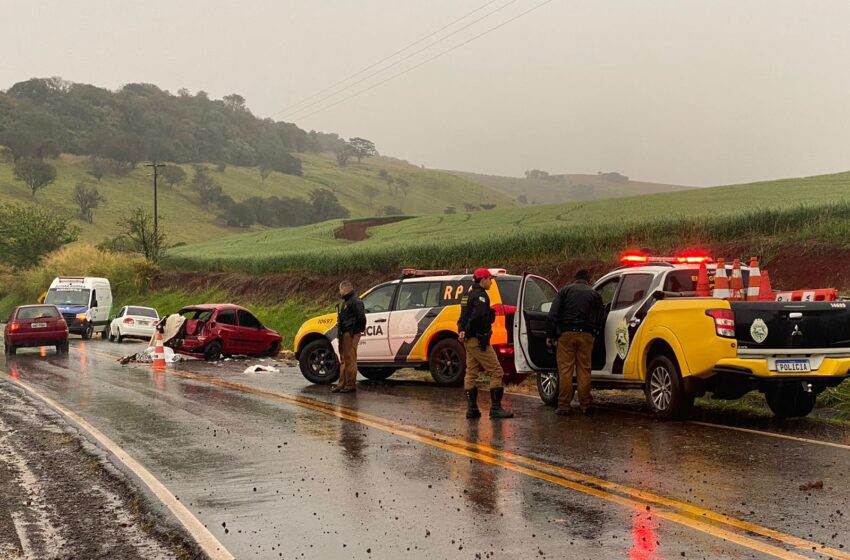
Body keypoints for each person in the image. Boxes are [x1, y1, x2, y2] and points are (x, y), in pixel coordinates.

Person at [546, 269, 605, 415]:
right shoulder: (594, 294)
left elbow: (553, 313)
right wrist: (595, 332)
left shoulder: (565, 291)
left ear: (575, 278)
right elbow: (601, 315)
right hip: (586, 335)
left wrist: (550, 335)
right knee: (584, 370)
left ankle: (564, 405)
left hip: (566, 334)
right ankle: (585, 404)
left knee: (565, 370)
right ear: (588, 280)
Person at [458, 268, 514, 419]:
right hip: (478, 340)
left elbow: (462, 316)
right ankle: (495, 408)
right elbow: (477, 317)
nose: (491, 281)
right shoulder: (481, 296)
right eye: (489, 279)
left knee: (471, 373)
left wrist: (462, 331)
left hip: (470, 341)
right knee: (497, 372)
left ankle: (472, 409)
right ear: (482, 280)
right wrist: (469, 330)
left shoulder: (467, 295)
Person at [333, 280, 366, 394]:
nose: (340, 292)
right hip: (344, 333)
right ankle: (342, 384)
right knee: (344, 359)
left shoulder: (355, 301)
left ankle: (350, 385)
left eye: (340, 290)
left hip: (350, 334)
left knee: (350, 359)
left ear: (344, 289)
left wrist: (354, 331)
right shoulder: (347, 301)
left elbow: (361, 318)